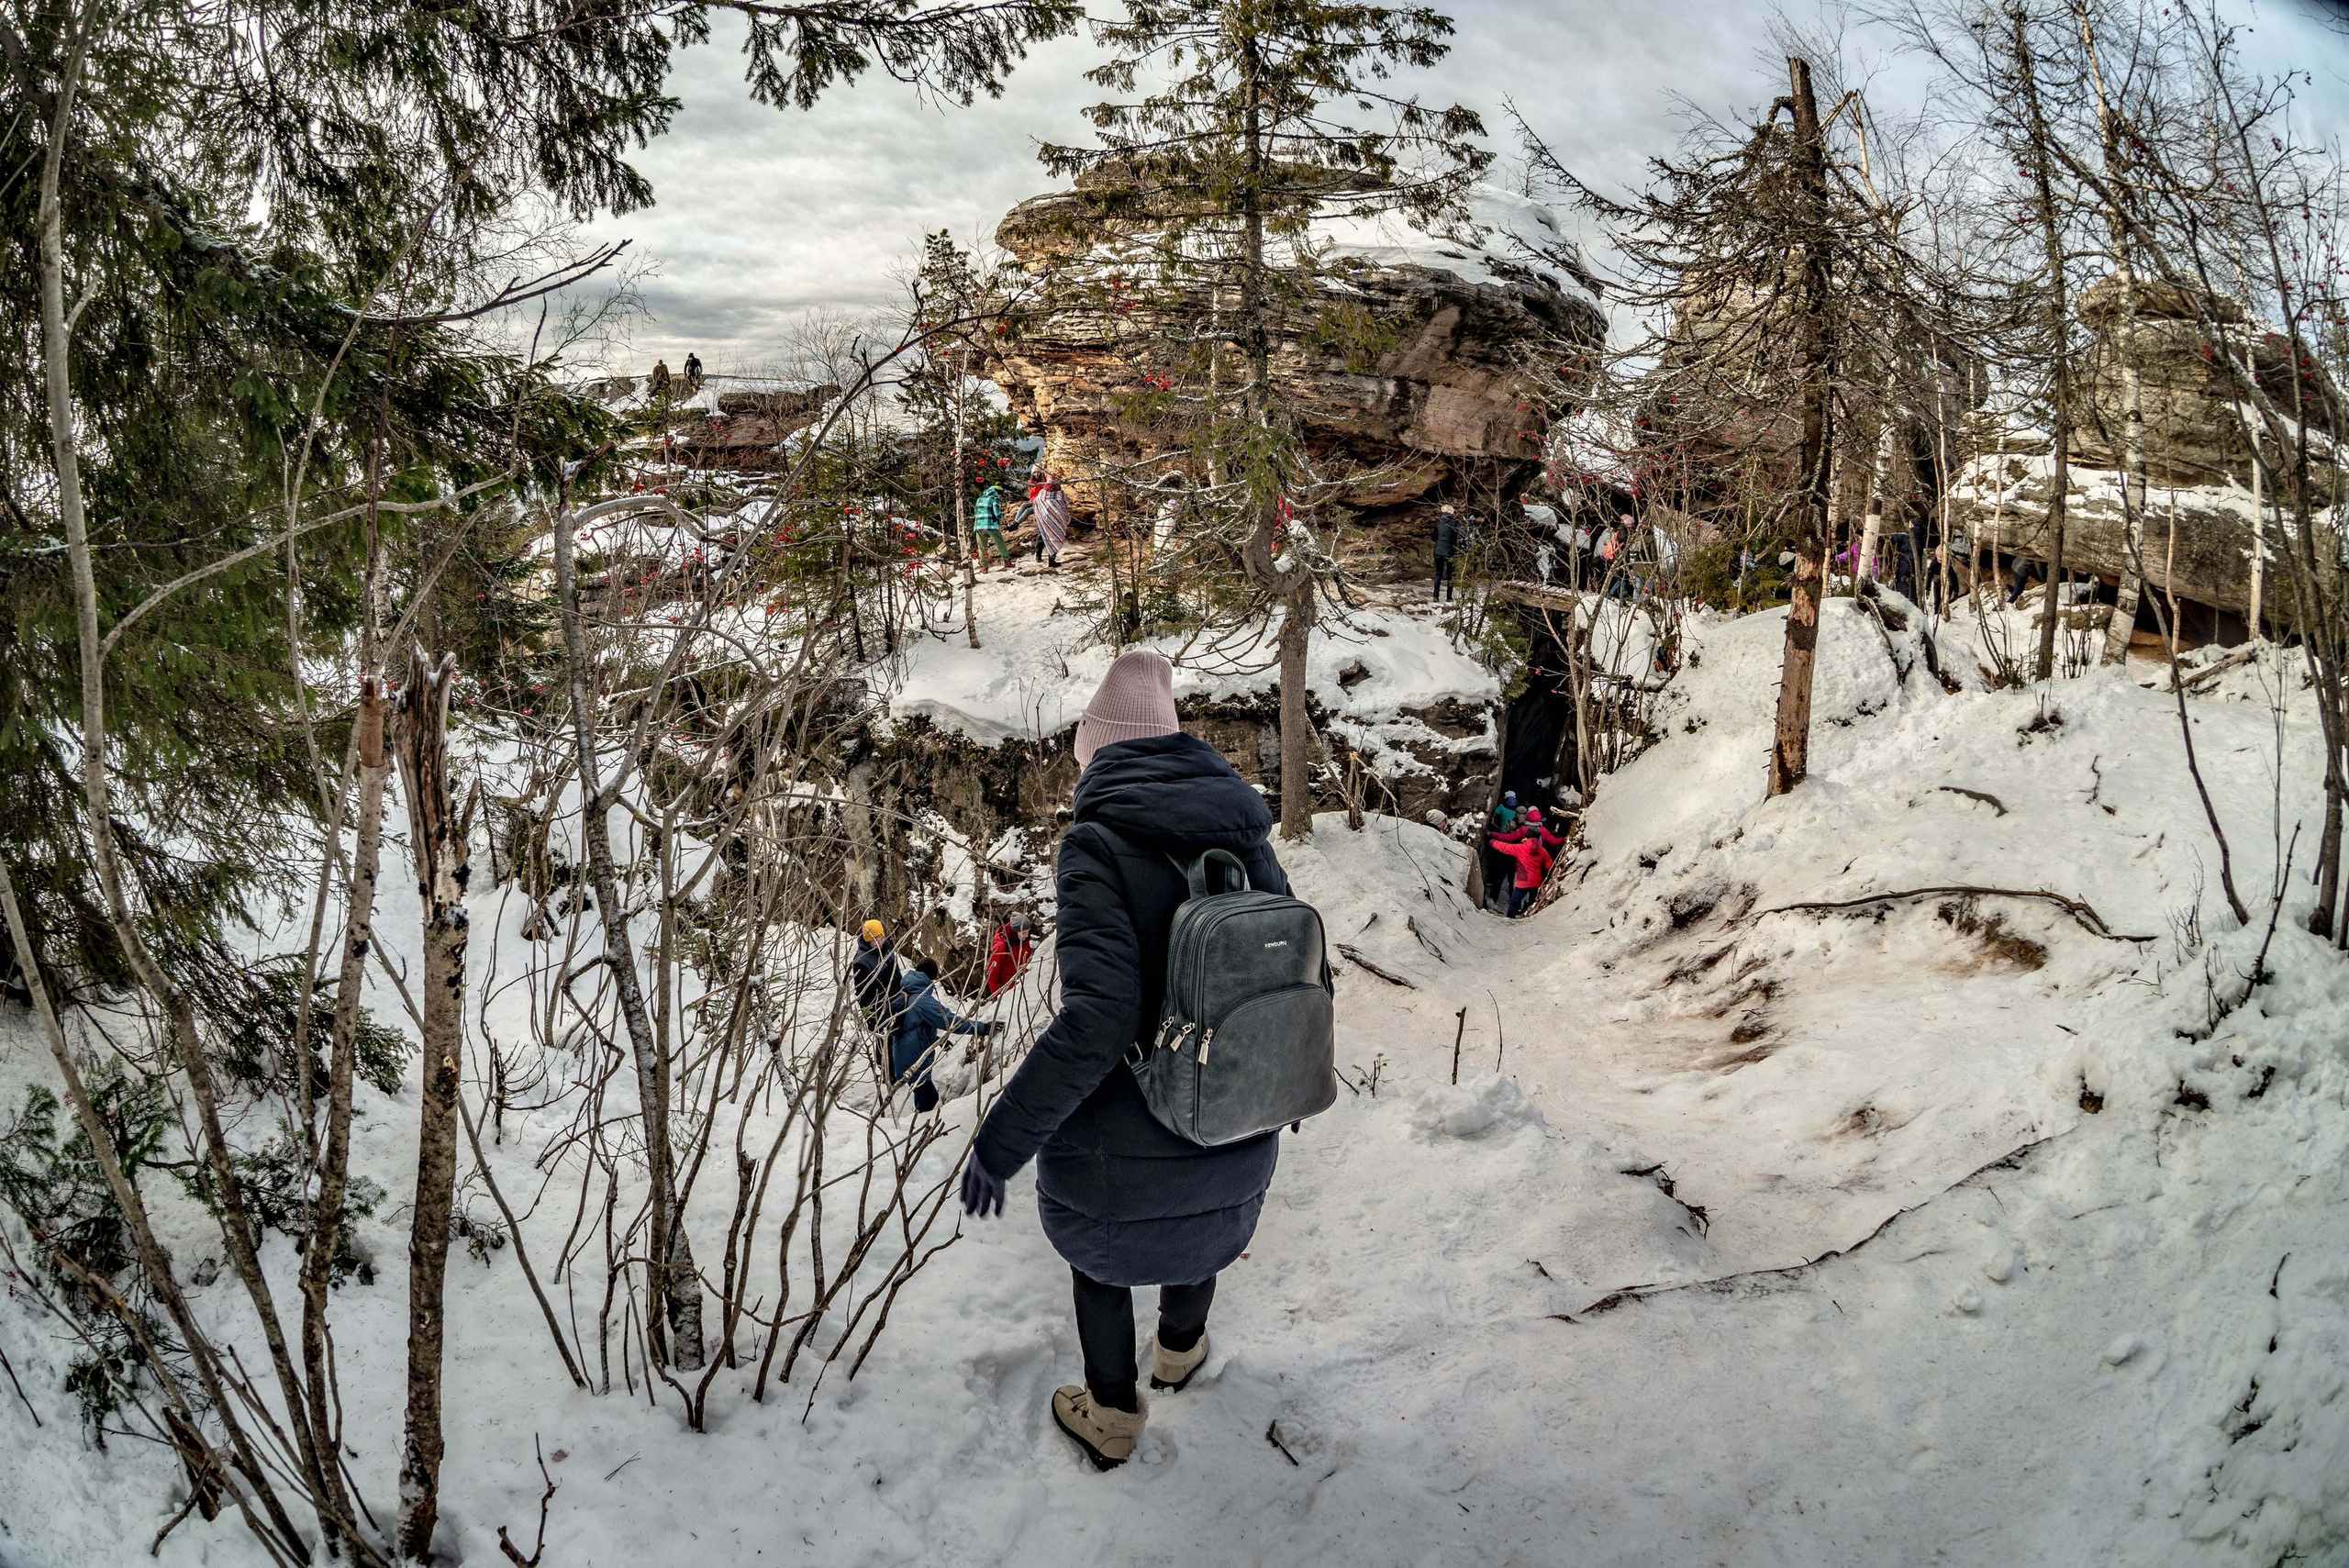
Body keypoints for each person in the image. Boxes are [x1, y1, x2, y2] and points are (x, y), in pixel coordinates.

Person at [957, 648, 1296, 1470]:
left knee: (1102, 1260)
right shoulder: (1245, 832)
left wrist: (1002, 1143)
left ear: (1101, 752)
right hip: (1237, 1124)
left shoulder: (1096, 846)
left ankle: (1110, 1412)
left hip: (1120, 1142)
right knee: (1198, 1220)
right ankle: (1180, 1350)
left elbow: (1098, 1021)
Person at [890, 958, 994, 1114]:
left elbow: (914, 1026)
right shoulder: (923, 1000)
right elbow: (950, 1021)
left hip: (904, 1054)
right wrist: (981, 1028)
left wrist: (937, 1041)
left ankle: (917, 1120)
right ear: (932, 977)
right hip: (912, 1059)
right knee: (929, 1097)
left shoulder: (909, 990)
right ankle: (917, 1128)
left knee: (922, 1092)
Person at [849, 919, 900, 1029]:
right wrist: (872, 1020)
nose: (880, 943)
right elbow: (863, 995)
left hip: (897, 1002)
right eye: (875, 940)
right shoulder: (861, 962)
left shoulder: (886, 946)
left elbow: (896, 971)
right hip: (881, 1011)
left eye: (881, 938)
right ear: (868, 940)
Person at [1491, 830, 1549, 917]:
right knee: (1533, 901)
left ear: (1526, 837)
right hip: (1537, 881)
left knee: (1514, 902)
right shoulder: (1543, 851)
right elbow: (1550, 866)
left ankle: (1510, 919)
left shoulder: (1520, 848)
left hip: (1523, 881)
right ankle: (1530, 917)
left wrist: (1492, 842)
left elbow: (1504, 847)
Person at [985, 912, 1034, 996]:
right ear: (1015, 932)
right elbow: (992, 975)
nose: (1027, 935)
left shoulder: (1026, 941)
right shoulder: (1002, 947)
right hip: (1007, 993)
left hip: (1025, 989)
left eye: (1027, 932)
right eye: (1024, 933)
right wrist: (998, 996)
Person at [1031, 469, 1071, 570]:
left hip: (1044, 518)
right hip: (1056, 519)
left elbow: (1036, 501)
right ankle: (1051, 560)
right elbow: (1066, 502)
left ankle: (1038, 555)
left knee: (1042, 535)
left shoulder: (1043, 492)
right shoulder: (1059, 493)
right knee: (1055, 537)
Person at [973, 481, 1010, 571]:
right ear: (997, 493)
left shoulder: (980, 499)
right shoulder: (994, 499)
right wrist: (1002, 518)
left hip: (979, 526)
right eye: (1000, 494)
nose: (1000, 497)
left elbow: (976, 512)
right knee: (1000, 542)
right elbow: (997, 513)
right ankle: (1007, 561)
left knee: (982, 547)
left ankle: (984, 566)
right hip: (990, 526)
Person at [1431, 504, 1460, 602]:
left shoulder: (1438, 523)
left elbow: (1433, 538)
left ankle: (1435, 596)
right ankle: (1449, 597)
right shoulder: (1455, 523)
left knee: (1438, 573)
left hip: (1438, 550)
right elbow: (1461, 533)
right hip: (1450, 551)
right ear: (1451, 512)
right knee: (1450, 575)